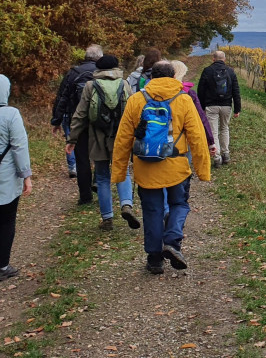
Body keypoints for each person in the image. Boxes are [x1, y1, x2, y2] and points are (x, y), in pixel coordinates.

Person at [112, 61, 211, 274]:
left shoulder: (136, 100)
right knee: (179, 204)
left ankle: (155, 259)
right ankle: (172, 242)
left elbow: (122, 140)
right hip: (176, 167)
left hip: (145, 169)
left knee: (152, 211)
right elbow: (197, 138)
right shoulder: (184, 100)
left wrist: (119, 172)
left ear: (151, 78)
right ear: (173, 76)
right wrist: (203, 171)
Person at [66, 55, 141, 231]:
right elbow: (132, 112)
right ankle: (126, 205)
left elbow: (81, 114)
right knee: (122, 172)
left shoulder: (91, 86)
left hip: (98, 136)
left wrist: (72, 139)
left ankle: (107, 218)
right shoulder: (124, 84)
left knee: (102, 176)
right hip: (121, 136)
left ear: (97, 69)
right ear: (116, 67)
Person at [51, 44, 102, 203]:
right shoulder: (102, 73)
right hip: (99, 122)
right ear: (99, 57)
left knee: (81, 159)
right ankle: (98, 183)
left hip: (77, 120)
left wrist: (56, 120)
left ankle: (85, 196)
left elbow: (62, 98)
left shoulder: (73, 73)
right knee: (100, 156)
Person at [0, 75, 33, 281]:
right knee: (6, 221)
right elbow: (19, 147)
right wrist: (26, 176)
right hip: (5, 179)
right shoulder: (11, 114)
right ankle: (2, 265)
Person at [197, 51, 240, 167]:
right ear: (224, 59)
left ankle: (217, 158)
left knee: (213, 132)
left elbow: (200, 90)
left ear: (213, 59)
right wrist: (237, 109)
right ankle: (226, 154)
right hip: (226, 105)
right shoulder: (230, 72)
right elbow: (236, 91)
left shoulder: (207, 71)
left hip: (211, 106)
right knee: (225, 128)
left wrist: (201, 107)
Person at [170, 60, 216, 160]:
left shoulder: (151, 92)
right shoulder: (189, 93)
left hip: (160, 137)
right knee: (184, 169)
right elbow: (201, 118)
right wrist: (210, 141)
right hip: (183, 139)